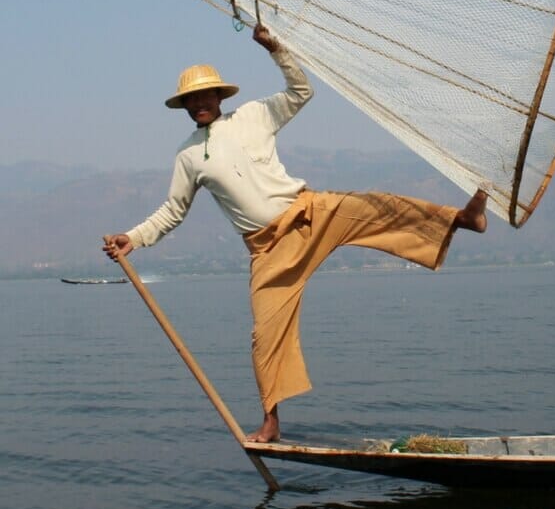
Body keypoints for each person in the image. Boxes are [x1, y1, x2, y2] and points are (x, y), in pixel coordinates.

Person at [104, 24, 488, 442]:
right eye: (191, 100)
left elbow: (301, 91)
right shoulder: (189, 155)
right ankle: (271, 421)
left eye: (205, 96)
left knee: (376, 208)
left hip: (308, 213)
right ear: (184, 106)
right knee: (265, 334)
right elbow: (172, 211)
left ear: (218, 96)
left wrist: (276, 49)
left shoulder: (253, 115)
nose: (199, 103)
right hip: (268, 250)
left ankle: (462, 219)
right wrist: (133, 237)